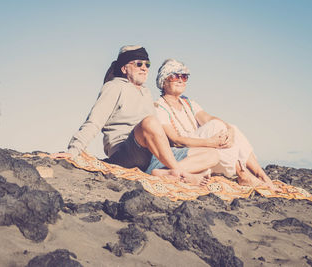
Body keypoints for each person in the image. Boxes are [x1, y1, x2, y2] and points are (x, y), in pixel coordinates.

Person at [57, 46, 219, 185]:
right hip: (126, 152)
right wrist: (74, 150)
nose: (144, 68)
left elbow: (158, 136)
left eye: (147, 64)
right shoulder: (113, 87)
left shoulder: (146, 93)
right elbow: (94, 121)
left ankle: (163, 173)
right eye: (138, 64)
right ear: (124, 68)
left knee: (212, 155)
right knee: (150, 122)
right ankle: (180, 173)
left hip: (149, 155)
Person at [153, 58, 279, 190]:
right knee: (216, 126)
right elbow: (176, 140)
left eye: (184, 77)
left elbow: (208, 118)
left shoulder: (188, 103)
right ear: (164, 81)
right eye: (174, 76)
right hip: (183, 152)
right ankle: (243, 174)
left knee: (229, 128)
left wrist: (230, 130)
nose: (180, 80)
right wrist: (210, 142)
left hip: (201, 148)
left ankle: (261, 175)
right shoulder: (159, 107)